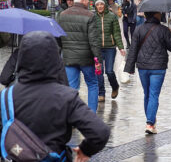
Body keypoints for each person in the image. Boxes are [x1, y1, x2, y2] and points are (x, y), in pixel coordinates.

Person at [2, 31, 110, 162]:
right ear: (55, 58)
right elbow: (100, 132)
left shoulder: (6, 97)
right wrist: (85, 150)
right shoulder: (67, 97)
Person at [124, 11, 171, 134]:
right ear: (155, 15)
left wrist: (130, 68)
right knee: (153, 94)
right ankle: (150, 123)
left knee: (147, 94)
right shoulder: (163, 30)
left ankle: (150, 121)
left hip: (143, 67)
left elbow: (133, 50)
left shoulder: (138, 29)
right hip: (158, 67)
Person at [58, 0, 102, 112]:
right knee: (92, 85)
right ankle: (92, 115)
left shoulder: (63, 15)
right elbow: (94, 41)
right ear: (83, 0)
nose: (88, 2)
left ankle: (72, 115)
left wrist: (64, 51)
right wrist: (98, 59)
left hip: (69, 57)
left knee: (72, 88)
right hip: (86, 58)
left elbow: (58, 37)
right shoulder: (90, 15)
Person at [93, 0, 125, 102]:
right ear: (95, 6)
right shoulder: (93, 17)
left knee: (109, 71)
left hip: (110, 48)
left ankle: (115, 86)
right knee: (99, 72)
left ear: (105, 5)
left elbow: (116, 33)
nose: (100, 6)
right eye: (97, 4)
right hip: (97, 48)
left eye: (101, 4)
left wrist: (120, 47)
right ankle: (101, 93)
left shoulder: (112, 17)